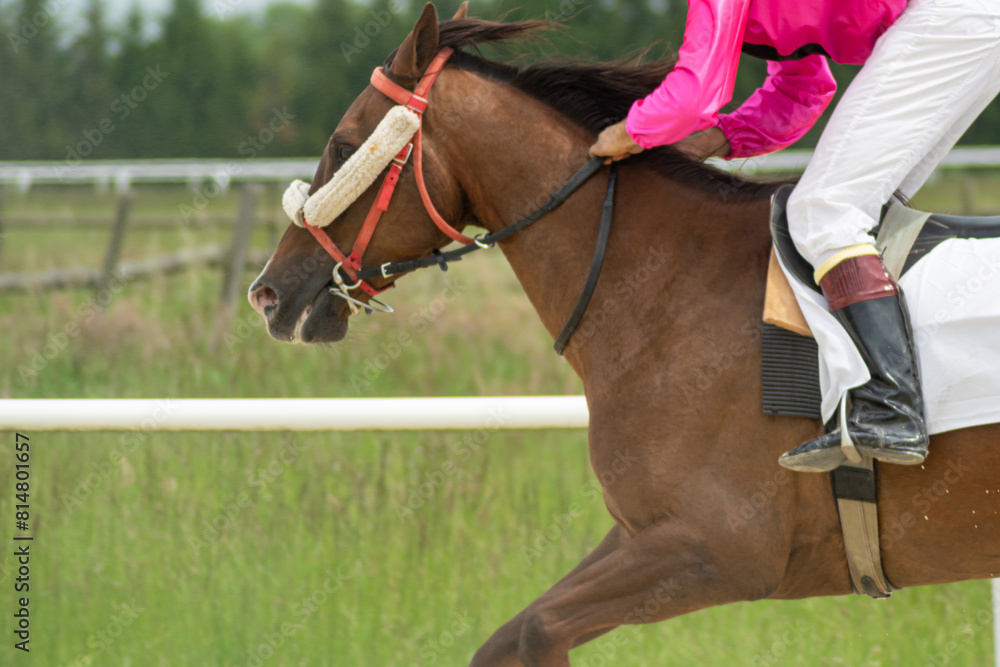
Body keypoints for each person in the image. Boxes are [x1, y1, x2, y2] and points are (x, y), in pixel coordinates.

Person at [589, 0, 1000, 472]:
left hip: (953, 15)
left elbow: (693, 94)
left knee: (822, 213)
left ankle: (890, 408)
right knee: (869, 216)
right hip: (968, 18)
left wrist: (624, 134)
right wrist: (718, 139)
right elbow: (803, 88)